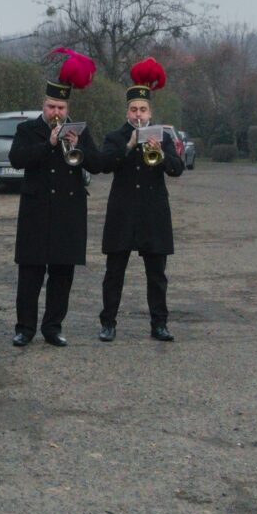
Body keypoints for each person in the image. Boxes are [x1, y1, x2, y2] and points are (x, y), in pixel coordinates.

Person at [9, 48, 104, 347]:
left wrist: (80, 147)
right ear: (44, 105)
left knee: (62, 275)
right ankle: (25, 328)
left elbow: (98, 165)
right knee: (30, 274)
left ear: (67, 107)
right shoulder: (28, 129)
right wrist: (49, 144)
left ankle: (53, 327)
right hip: (36, 211)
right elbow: (16, 159)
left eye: (61, 108)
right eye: (51, 107)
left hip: (68, 213)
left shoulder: (79, 131)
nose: (56, 113)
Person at [97, 58, 184, 343]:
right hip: (122, 213)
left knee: (157, 275)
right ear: (127, 111)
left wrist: (161, 153)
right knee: (114, 273)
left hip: (153, 212)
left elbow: (177, 169)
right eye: (134, 109)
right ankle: (108, 323)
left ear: (150, 112)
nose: (138, 114)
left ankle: (159, 324)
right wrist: (129, 145)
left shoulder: (163, 136)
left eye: (143, 110)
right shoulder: (115, 137)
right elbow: (104, 164)